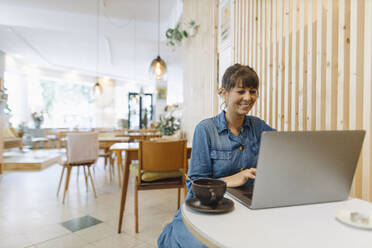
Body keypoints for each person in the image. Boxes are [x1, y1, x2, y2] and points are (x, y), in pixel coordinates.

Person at [157, 64, 275, 247]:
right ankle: (172, 231)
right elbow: (195, 184)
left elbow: (285, 148)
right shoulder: (206, 130)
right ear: (224, 93)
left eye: (253, 91)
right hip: (206, 207)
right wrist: (230, 180)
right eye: (241, 91)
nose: (248, 97)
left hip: (244, 208)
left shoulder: (258, 126)